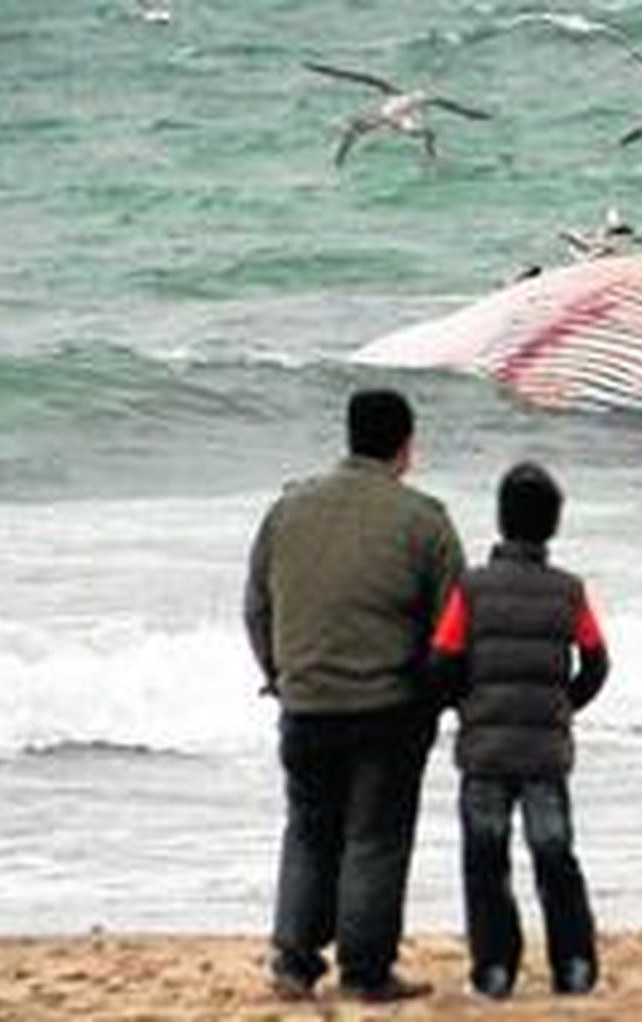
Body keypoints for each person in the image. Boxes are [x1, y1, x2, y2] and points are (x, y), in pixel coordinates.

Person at [243, 388, 466, 1003]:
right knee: (376, 837)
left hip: (306, 704)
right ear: (406, 446)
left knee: (309, 830)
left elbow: (257, 606)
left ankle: (294, 962)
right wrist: (438, 697)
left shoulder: (287, 510)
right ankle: (366, 972)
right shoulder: (424, 519)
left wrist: (279, 674)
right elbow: (452, 624)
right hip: (389, 707)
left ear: (349, 436)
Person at [429, 460, 610, 1000]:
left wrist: (465, 705)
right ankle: (574, 966)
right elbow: (597, 664)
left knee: (486, 862)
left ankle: (495, 971)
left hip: (484, 750)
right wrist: (562, 706)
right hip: (544, 753)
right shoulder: (569, 592)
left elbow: (442, 661)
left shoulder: (472, 590)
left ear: (501, 520)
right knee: (555, 856)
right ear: (553, 525)